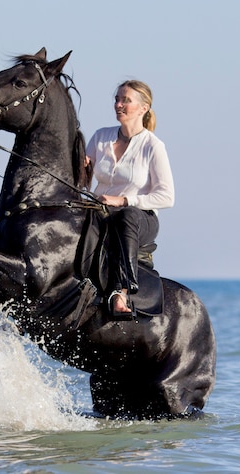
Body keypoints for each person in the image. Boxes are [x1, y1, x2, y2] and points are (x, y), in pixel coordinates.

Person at [85, 80, 174, 316]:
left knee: (126, 216)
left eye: (126, 100)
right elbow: (83, 181)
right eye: (117, 99)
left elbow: (167, 196)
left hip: (139, 219)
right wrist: (80, 170)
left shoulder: (153, 146)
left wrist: (124, 200)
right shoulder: (100, 137)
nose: (119, 104)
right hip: (101, 211)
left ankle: (121, 292)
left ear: (143, 108)